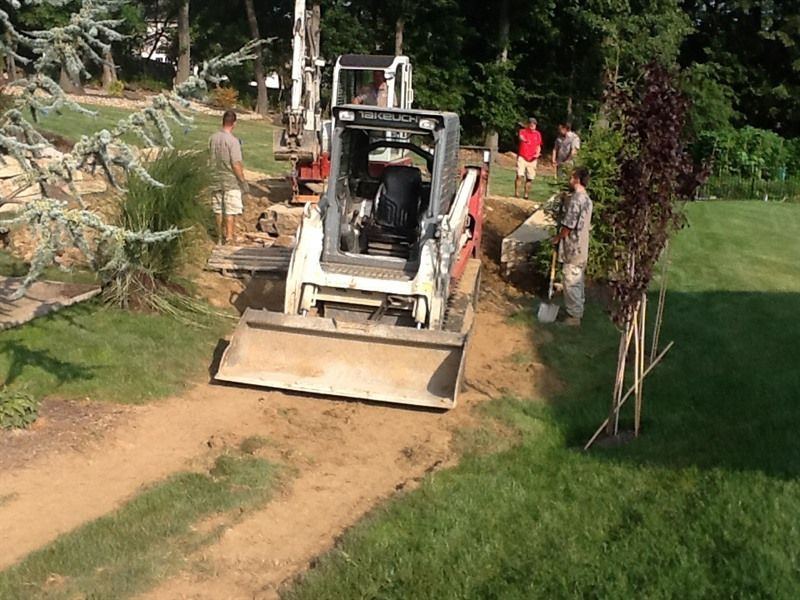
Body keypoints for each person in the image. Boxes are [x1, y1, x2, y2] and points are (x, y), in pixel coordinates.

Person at [550, 166, 592, 326]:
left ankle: (574, 317)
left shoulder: (577, 199)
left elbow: (569, 225)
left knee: (571, 279)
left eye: (571, 176)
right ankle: (577, 310)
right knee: (577, 279)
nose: (569, 179)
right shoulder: (585, 198)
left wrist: (558, 237)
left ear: (577, 179)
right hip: (581, 247)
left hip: (573, 247)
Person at [208, 110, 249, 245]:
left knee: (218, 209)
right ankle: (229, 238)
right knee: (230, 210)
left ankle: (219, 238)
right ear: (234, 123)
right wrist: (242, 181)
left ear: (223, 121)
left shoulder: (212, 138)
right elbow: (236, 164)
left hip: (214, 178)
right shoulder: (233, 141)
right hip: (230, 181)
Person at [515, 117, 542, 199]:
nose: (532, 125)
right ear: (528, 124)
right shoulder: (523, 131)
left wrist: (537, 153)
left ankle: (526, 195)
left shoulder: (537, 134)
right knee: (519, 175)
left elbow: (538, 145)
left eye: (534, 124)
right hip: (522, 157)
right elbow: (521, 137)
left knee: (530, 178)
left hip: (533, 159)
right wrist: (524, 139)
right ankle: (517, 193)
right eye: (531, 123)